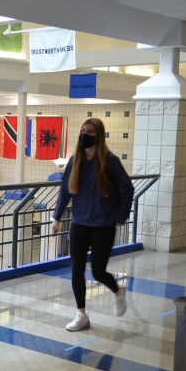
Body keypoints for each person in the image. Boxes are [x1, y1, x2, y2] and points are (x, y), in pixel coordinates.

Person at [50, 118, 134, 332]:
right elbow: (65, 190)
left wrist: (121, 217)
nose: (84, 135)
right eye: (83, 130)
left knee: (98, 271)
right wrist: (57, 217)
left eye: (90, 132)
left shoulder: (109, 160)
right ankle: (81, 315)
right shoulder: (75, 161)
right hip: (79, 221)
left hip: (103, 224)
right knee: (76, 269)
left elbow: (127, 189)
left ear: (98, 136)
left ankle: (118, 291)